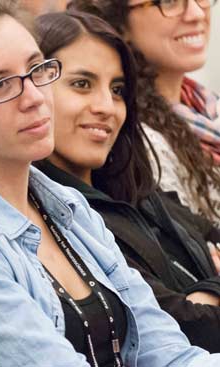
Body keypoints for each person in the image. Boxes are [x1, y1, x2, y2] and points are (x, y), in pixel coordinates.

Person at [0, 0, 220, 365]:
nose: (35, 97)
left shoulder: (68, 205)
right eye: (2, 85)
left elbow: (169, 354)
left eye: (37, 69)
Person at [33, 9, 220, 353]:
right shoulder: (54, 217)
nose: (107, 106)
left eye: (118, 89)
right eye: (81, 84)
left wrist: (206, 295)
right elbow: (187, 330)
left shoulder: (136, 189)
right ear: (32, 92)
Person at [71, 0, 220, 226]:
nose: (196, 13)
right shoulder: (132, 138)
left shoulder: (208, 106)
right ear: (119, 20)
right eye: (169, 2)